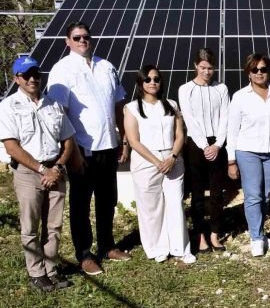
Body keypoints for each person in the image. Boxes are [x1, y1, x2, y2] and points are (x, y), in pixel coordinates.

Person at [47, 21, 131, 275]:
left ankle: (108, 246)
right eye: (77, 37)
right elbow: (59, 114)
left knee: (107, 200)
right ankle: (84, 254)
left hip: (109, 145)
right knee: (81, 204)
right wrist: (69, 152)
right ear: (67, 41)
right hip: (81, 149)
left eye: (86, 36)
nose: (82, 40)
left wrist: (123, 140)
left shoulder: (106, 67)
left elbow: (118, 104)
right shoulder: (61, 70)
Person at [0, 56, 77, 291]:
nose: (33, 79)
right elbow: (11, 146)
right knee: (30, 225)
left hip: (56, 169)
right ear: (17, 79)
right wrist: (42, 169)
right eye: (26, 75)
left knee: (53, 225)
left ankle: (51, 268)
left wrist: (58, 167)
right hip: (28, 172)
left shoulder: (53, 104)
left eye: (36, 74)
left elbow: (68, 140)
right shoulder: (7, 106)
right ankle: (36, 272)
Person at [123, 66, 195, 264]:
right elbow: (133, 140)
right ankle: (157, 247)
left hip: (172, 159)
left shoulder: (171, 104)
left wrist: (172, 157)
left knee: (175, 204)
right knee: (150, 207)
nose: (152, 82)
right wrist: (156, 162)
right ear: (141, 83)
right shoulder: (132, 108)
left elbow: (180, 134)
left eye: (156, 79)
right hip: (146, 162)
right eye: (148, 79)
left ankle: (181, 247)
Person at [227, 54, 270, 257]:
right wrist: (231, 160)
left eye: (263, 69)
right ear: (249, 73)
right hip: (248, 152)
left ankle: (261, 235)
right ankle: (255, 238)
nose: (260, 73)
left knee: (265, 195)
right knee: (253, 196)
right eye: (255, 70)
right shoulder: (240, 97)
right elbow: (232, 130)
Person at [178, 47, 229, 253]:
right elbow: (189, 119)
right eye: (203, 67)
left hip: (218, 144)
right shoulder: (185, 89)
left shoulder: (222, 89)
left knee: (217, 193)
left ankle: (215, 233)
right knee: (197, 194)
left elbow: (225, 117)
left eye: (210, 68)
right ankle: (200, 236)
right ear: (195, 67)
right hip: (196, 145)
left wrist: (217, 144)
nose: (207, 72)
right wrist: (204, 145)